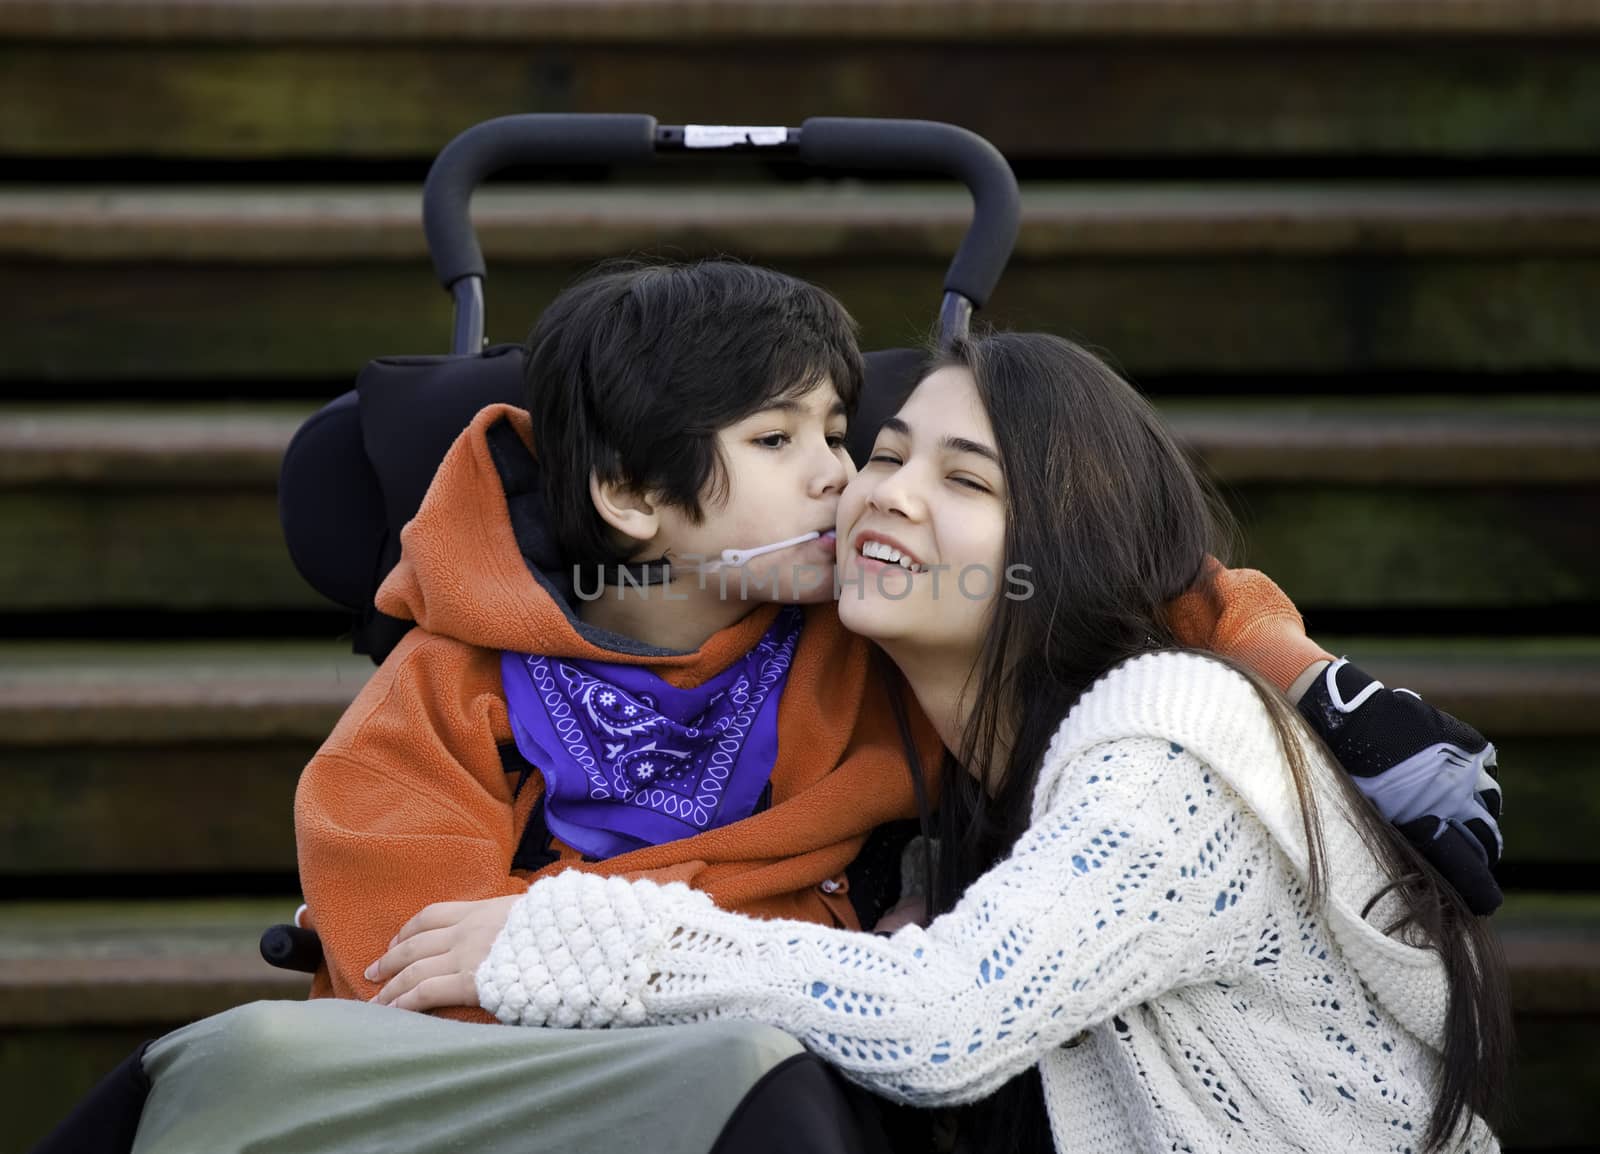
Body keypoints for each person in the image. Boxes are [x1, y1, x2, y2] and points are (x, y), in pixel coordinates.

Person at [36, 265, 1499, 1154]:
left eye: (849, 436)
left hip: (781, 1045)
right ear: (628, 498)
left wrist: (1313, 679)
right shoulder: (458, 677)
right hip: (539, 1059)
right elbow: (403, 926)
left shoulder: (900, 659)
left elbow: (1146, 584)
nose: (853, 481)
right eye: (794, 443)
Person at [459, 332, 1511, 1153]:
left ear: (1063, 547)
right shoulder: (947, 769)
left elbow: (940, 1017)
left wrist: (557, 935)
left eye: (967, 480)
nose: (887, 492)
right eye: (884, 453)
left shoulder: (1165, 755)